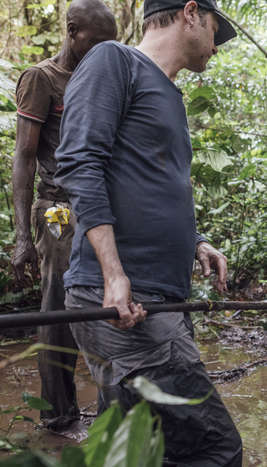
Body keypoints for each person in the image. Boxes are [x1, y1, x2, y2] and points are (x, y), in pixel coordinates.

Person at [54, 0, 241, 465]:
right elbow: (80, 164)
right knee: (215, 448)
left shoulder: (169, 94)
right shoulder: (114, 60)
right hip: (123, 302)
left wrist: (196, 242)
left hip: (157, 298)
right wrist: (114, 276)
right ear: (191, 13)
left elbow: (145, 183)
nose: (216, 47)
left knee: (138, 450)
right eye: (216, 30)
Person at [10, 0, 117, 434]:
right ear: (72, 31)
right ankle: (58, 414)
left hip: (99, 206)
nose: (102, 51)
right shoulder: (42, 78)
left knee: (105, 300)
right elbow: (25, 156)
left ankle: (113, 413)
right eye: (95, 41)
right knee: (58, 308)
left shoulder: (107, 76)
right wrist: (21, 234)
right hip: (58, 208)